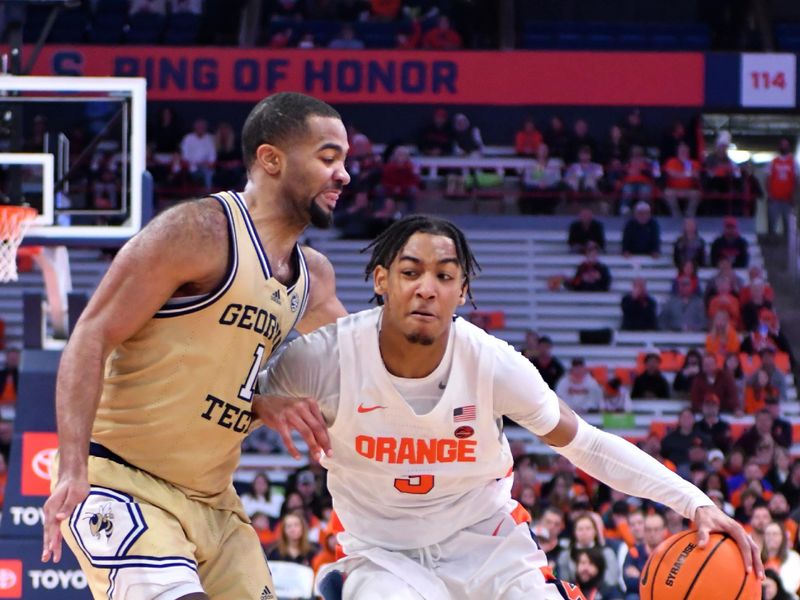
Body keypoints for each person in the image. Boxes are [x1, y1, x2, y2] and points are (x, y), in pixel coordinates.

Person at [261, 215, 761, 599]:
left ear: (462, 291)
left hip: (489, 546)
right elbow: (225, 402)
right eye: (410, 272)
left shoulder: (492, 363)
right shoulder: (322, 358)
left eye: (444, 275)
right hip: (381, 555)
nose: (426, 287)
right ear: (381, 280)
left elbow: (586, 444)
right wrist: (262, 402)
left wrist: (696, 502)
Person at [41, 92, 351, 600]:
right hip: (124, 480)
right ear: (270, 159)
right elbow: (91, 336)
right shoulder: (197, 232)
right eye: (328, 157)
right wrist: (72, 467)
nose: (344, 175)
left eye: (344, 160)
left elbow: (365, 358)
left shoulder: (313, 277)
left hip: (215, 503)